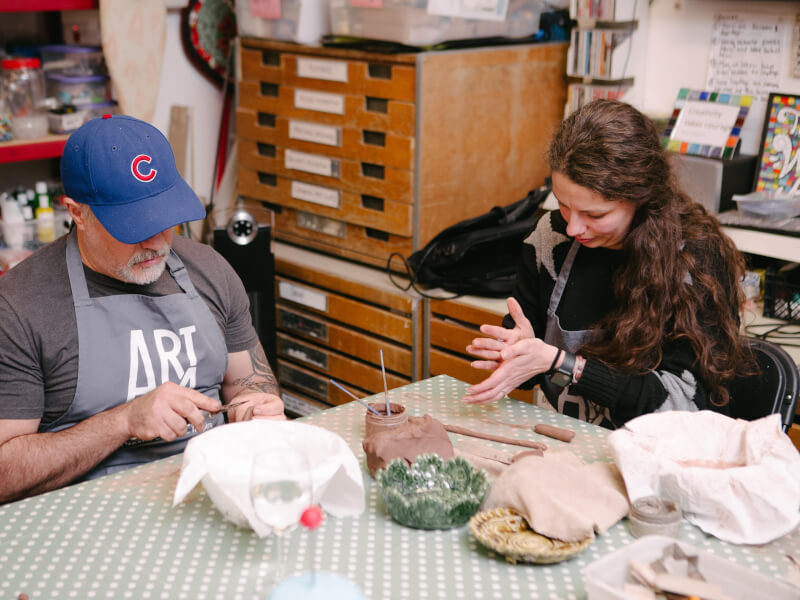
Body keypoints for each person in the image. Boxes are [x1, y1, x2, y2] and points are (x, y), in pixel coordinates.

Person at [0, 115, 285, 503]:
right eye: (133, 226)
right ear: (77, 212)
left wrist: (253, 410)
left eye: (165, 218)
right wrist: (124, 420)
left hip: (214, 492)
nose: (156, 242)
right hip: (91, 515)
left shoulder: (211, 270)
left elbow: (248, 384)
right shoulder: (20, 304)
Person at [463, 99, 752, 428]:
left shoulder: (695, 260)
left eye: (595, 215)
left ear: (641, 198)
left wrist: (561, 363)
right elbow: (529, 372)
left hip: (660, 460)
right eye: (564, 205)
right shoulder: (550, 238)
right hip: (567, 444)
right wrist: (515, 353)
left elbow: (681, 405)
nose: (573, 227)